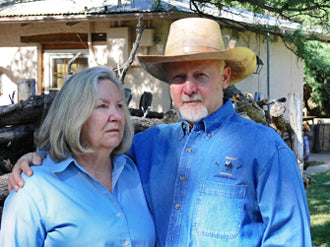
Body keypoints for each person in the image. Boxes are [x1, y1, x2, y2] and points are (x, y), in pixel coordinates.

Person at [8, 17, 312, 246]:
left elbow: (290, 238)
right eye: (179, 76)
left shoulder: (263, 148)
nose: (189, 87)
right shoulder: (147, 146)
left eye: (200, 75)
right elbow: (88, 151)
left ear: (225, 77)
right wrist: (39, 158)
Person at [1, 66, 155, 246]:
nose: (116, 116)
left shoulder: (132, 172)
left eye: (119, 106)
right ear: (74, 115)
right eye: (102, 106)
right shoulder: (33, 190)